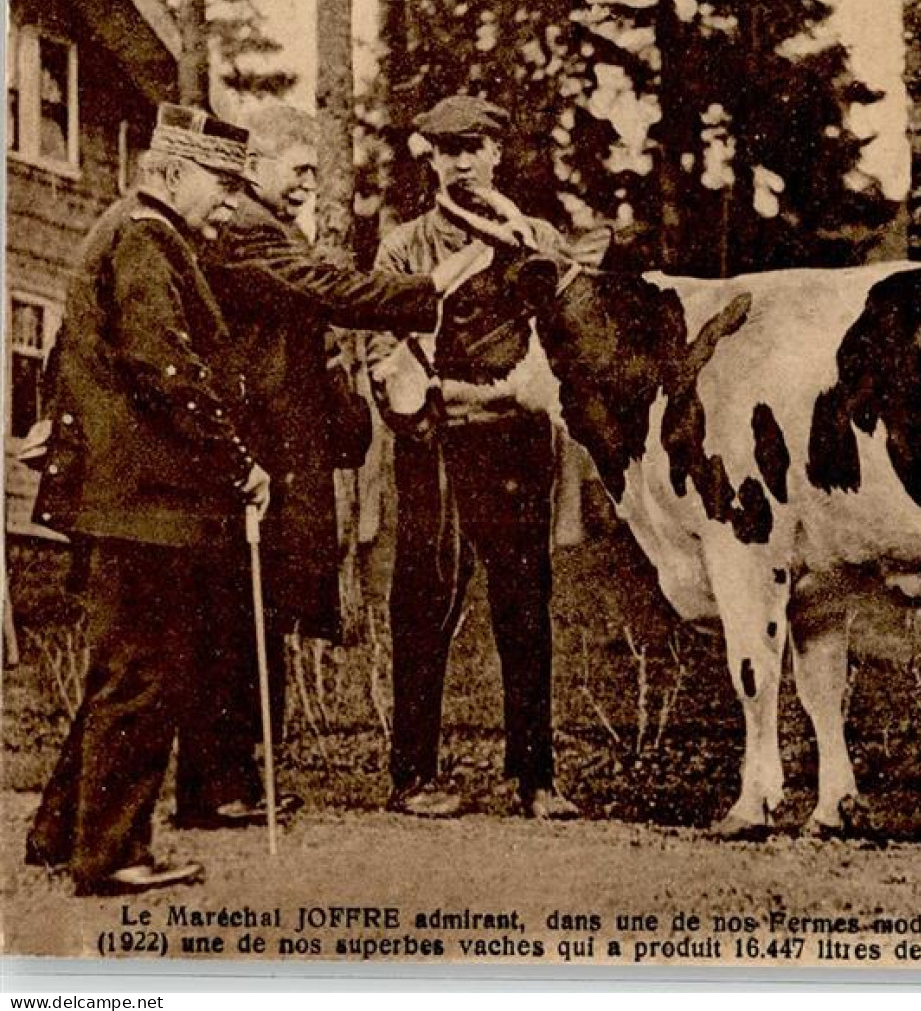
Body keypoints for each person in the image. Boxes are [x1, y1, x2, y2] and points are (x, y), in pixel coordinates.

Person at [171, 104, 494, 831]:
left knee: (254, 617)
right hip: (256, 456)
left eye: (315, 172)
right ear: (253, 168)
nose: (310, 186)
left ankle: (230, 782)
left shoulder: (269, 229)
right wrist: (430, 288)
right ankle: (221, 788)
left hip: (279, 452)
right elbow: (331, 291)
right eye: (300, 170)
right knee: (239, 621)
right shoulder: (251, 229)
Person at [21, 105, 268, 896]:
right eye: (221, 183)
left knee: (120, 670)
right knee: (143, 675)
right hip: (149, 502)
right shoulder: (146, 238)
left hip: (125, 498)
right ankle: (112, 855)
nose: (231, 202)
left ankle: (62, 832)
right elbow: (166, 369)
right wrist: (239, 463)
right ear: (167, 173)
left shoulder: (125, 230)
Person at [367, 94, 604, 821]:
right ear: (430, 159)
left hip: (516, 444)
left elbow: (570, 334)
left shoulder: (533, 236)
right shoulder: (405, 245)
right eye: (446, 148)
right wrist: (420, 402)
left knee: (524, 607)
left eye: (474, 145)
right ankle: (412, 776)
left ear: (497, 152)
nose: (462, 159)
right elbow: (382, 345)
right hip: (438, 442)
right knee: (424, 602)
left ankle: (535, 779)